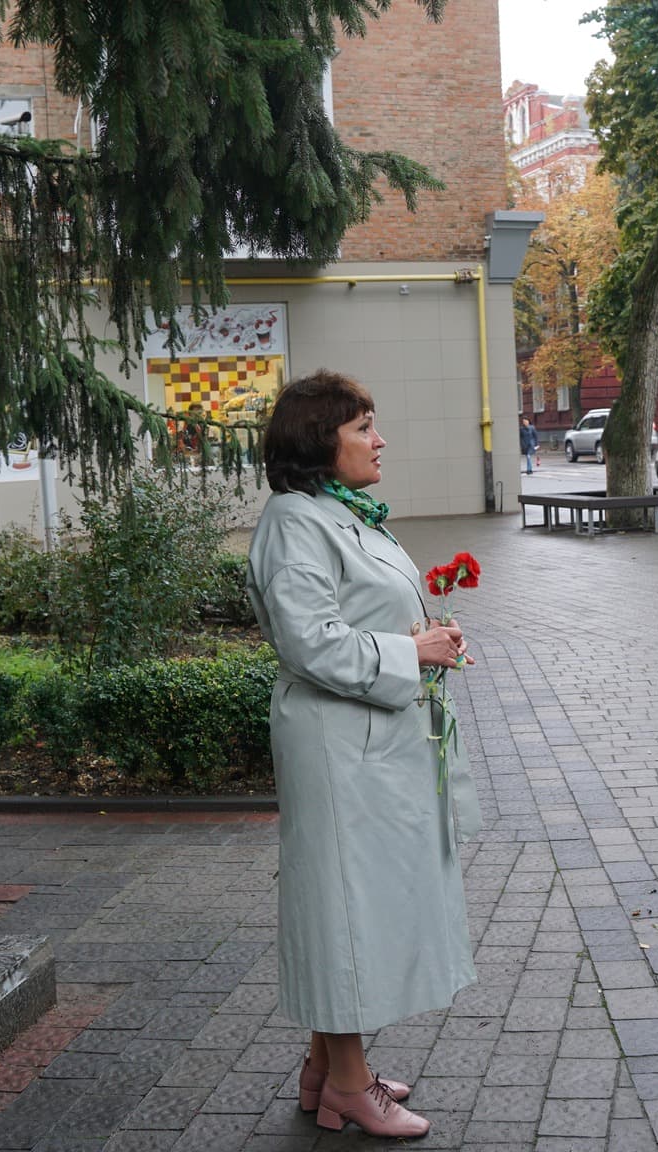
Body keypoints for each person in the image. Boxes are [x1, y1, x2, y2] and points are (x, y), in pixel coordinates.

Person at [245, 371, 481, 1139]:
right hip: (335, 744)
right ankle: (350, 1088)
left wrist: (430, 643)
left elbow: (364, 618)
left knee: (350, 903)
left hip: (367, 740)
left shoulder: (344, 514)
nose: (381, 441)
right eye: (364, 428)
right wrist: (411, 651)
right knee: (345, 907)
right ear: (322, 440)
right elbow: (307, 640)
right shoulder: (294, 521)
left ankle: (326, 1068)